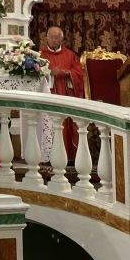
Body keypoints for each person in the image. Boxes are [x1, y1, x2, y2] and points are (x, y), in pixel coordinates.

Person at [40, 26, 84, 160]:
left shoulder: (69, 55)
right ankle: (48, 156)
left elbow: (79, 73)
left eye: (57, 37)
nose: (54, 40)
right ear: (46, 37)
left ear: (62, 38)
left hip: (66, 95)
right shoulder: (40, 55)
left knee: (66, 125)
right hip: (48, 95)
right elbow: (35, 76)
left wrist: (66, 73)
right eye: (52, 37)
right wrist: (49, 74)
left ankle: (68, 156)